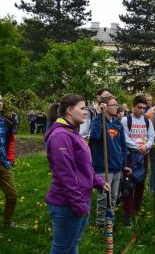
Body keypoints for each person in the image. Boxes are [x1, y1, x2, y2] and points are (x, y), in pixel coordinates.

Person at [45, 93, 110, 253]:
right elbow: (65, 175)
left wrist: (99, 182)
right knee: (62, 248)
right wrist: (79, 204)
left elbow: (84, 166)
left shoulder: (72, 132)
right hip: (67, 203)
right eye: (82, 108)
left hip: (80, 198)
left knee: (73, 244)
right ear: (69, 110)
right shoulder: (60, 136)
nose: (85, 112)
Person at [89, 96, 129, 228]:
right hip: (103, 166)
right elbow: (95, 136)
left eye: (117, 104)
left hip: (117, 166)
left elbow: (123, 146)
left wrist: (124, 164)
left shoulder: (117, 123)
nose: (117, 107)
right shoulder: (98, 121)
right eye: (114, 105)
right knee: (103, 197)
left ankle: (110, 221)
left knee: (114, 196)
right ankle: (100, 223)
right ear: (104, 106)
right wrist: (100, 116)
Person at [121, 95, 155, 227]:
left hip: (143, 155)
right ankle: (127, 214)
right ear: (133, 107)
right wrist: (137, 147)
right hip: (130, 156)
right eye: (139, 107)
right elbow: (125, 138)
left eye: (144, 108)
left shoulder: (147, 120)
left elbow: (151, 136)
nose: (141, 110)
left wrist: (146, 146)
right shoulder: (126, 120)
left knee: (141, 182)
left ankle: (136, 209)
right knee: (129, 184)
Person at [0, 93, 18, 228]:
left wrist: (10, 157)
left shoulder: (6, 122)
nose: (0, 103)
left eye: (1, 101)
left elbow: (11, 141)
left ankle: (7, 223)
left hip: (4, 163)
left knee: (12, 195)